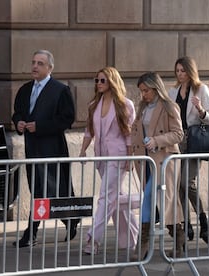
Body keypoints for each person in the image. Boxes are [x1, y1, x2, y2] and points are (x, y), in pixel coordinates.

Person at [12, 49, 79, 247]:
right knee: (38, 189)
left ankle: (32, 232)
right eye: (33, 62)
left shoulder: (60, 90)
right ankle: (68, 220)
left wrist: (40, 127)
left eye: (40, 63)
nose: (35, 66)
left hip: (53, 148)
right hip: (32, 148)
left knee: (56, 189)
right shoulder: (25, 89)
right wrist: (19, 123)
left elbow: (67, 119)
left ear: (50, 68)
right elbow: (17, 113)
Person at [79, 67, 139, 255]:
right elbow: (89, 131)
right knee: (113, 196)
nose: (98, 84)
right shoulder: (93, 105)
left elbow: (129, 134)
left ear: (112, 81)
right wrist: (82, 151)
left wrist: (130, 158)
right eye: (97, 80)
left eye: (102, 80)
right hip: (101, 155)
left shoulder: (125, 104)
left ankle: (92, 238)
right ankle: (131, 238)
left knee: (105, 197)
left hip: (118, 156)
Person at [131, 72, 185, 259]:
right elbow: (136, 132)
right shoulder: (142, 107)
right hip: (145, 160)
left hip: (164, 160)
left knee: (151, 197)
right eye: (141, 91)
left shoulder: (169, 106)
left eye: (146, 90)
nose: (143, 94)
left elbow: (178, 134)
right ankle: (179, 239)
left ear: (156, 88)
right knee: (164, 202)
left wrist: (157, 140)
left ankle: (142, 244)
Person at [168, 56, 209, 242]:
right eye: (177, 71)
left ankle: (202, 218)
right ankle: (186, 223)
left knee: (188, 183)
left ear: (190, 71)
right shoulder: (173, 92)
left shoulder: (201, 89)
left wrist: (201, 110)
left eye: (183, 71)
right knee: (178, 184)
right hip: (178, 141)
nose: (180, 74)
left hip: (194, 140)